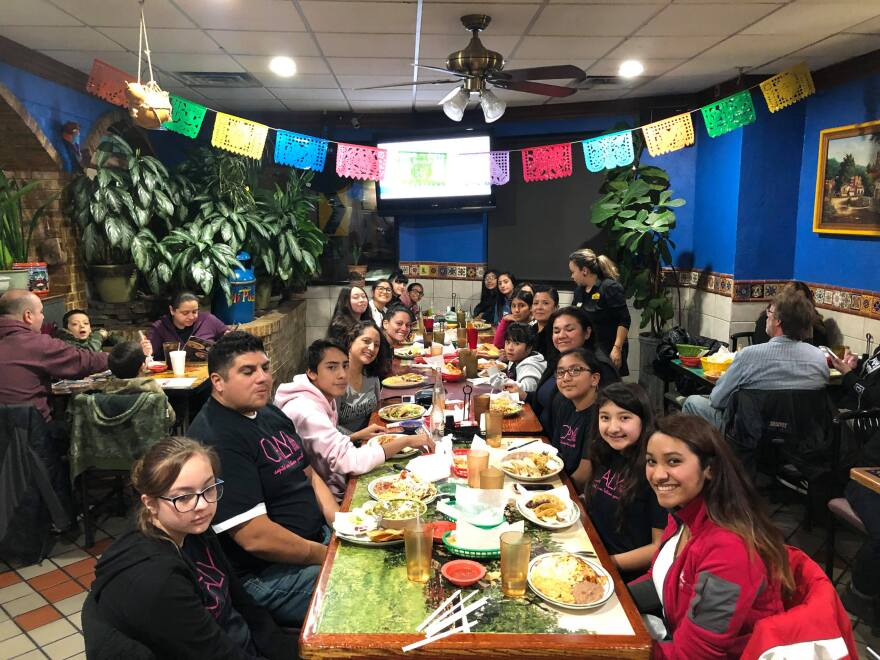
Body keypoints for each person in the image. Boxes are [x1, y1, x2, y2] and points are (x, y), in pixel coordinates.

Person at [87, 437, 294, 659]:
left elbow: (242, 602)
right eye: (184, 497)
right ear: (150, 503)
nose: (203, 505)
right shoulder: (157, 580)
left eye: (209, 488)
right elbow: (214, 653)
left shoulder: (192, 529)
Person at [186, 331, 339, 627]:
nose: (263, 378)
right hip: (266, 574)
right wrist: (328, 556)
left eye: (265, 368)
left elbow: (309, 475)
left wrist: (343, 525)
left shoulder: (267, 411)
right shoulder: (216, 440)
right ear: (218, 382)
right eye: (248, 371)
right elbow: (256, 538)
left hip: (315, 541)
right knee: (361, 589)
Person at [629, 414, 791, 658]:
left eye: (673, 462)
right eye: (652, 461)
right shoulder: (682, 513)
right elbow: (658, 580)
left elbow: (695, 655)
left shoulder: (729, 549)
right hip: (675, 637)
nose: (658, 475)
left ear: (710, 469)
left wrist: (617, 651)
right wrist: (610, 600)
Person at [275, 340, 432, 501]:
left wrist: (354, 436)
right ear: (312, 372)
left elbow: (322, 444)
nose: (342, 374)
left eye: (345, 366)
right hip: (317, 500)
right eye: (331, 367)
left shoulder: (320, 395)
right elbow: (349, 461)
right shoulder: (306, 410)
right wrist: (405, 441)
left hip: (329, 485)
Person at [682, 287, 829, 430]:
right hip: (801, 442)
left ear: (778, 320)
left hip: (748, 440)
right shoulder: (818, 358)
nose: (766, 317)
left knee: (692, 402)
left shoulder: (748, 356)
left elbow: (717, 400)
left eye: (769, 312)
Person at [584, 383, 665, 581]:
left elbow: (659, 547)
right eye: (605, 418)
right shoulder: (607, 452)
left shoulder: (654, 470)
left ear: (643, 421)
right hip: (590, 548)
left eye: (624, 418)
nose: (613, 428)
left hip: (621, 574)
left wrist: (607, 562)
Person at [0, 290, 111, 421]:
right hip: (29, 431)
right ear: (28, 316)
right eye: (41, 312)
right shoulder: (36, 343)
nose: (42, 317)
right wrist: (124, 356)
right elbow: (83, 361)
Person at [529, 306, 620, 423]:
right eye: (556, 331)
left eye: (569, 329)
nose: (561, 336)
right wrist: (524, 395)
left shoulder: (600, 367)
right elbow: (546, 397)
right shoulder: (560, 358)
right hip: (542, 434)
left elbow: (603, 415)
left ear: (587, 333)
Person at [543, 348, 604, 490]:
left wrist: (553, 491)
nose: (566, 378)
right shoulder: (565, 405)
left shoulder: (601, 416)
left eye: (575, 371)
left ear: (594, 379)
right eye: (560, 372)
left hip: (576, 491)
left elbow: (584, 474)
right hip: (560, 477)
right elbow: (556, 452)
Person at [569, 249, 631, 375]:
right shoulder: (579, 291)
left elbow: (624, 320)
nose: (572, 276)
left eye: (573, 271)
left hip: (609, 348)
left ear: (584, 270)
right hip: (587, 350)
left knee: (608, 388)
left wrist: (617, 349)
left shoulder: (609, 287)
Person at [337, 321, 389, 434]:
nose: (371, 348)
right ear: (350, 341)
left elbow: (377, 409)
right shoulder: (336, 379)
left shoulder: (372, 374)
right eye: (366, 341)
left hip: (372, 439)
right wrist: (358, 436)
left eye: (376, 345)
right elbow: (329, 428)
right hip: (344, 446)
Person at [106, 341, 176, 423]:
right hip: (151, 435)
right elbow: (171, 418)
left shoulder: (105, 391)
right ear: (143, 367)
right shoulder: (152, 387)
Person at [146, 292, 228, 360]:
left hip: (207, 372)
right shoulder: (160, 327)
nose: (191, 317)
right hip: (171, 375)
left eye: (195, 312)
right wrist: (146, 351)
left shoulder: (208, 320)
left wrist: (229, 337)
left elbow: (228, 337)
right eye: (185, 313)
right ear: (172, 310)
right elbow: (148, 355)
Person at [752, 282, 828, 347]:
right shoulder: (767, 320)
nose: (795, 308)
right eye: (791, 302)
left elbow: (821, 349)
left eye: (801, 304)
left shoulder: (816, 325)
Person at [500, 322, 547, 395]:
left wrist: (494, 374)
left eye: (517, 344)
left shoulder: (530, 368)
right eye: (508, 342)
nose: (510, 348)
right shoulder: (516, 358)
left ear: (529, 348)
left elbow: (525, 392)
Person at [531, 286, 559, 359]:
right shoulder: (530, 330)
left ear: (556, 308)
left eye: (545, 303)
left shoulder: (557, 334)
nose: (539, 307)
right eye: (535, 303)